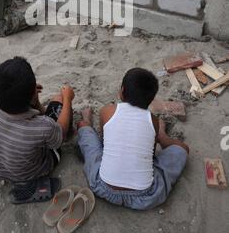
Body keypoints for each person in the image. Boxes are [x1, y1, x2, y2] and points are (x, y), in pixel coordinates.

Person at [77, 68, 189, 210]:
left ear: (122, 91)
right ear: (151, 99)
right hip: (145, 197)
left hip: (102, 187)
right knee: (182, 150)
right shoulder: (153, 120)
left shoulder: (107, 110)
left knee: (84, 129)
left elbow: (104, 144)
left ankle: (86, 120)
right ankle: (163, 136)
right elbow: (151, 155)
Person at [0, 56, 74, 182]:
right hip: (32, 172)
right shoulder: (44, 126)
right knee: (58, 99)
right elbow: (61, 134)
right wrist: (68, 99)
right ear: (32, 94)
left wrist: (31, 97)